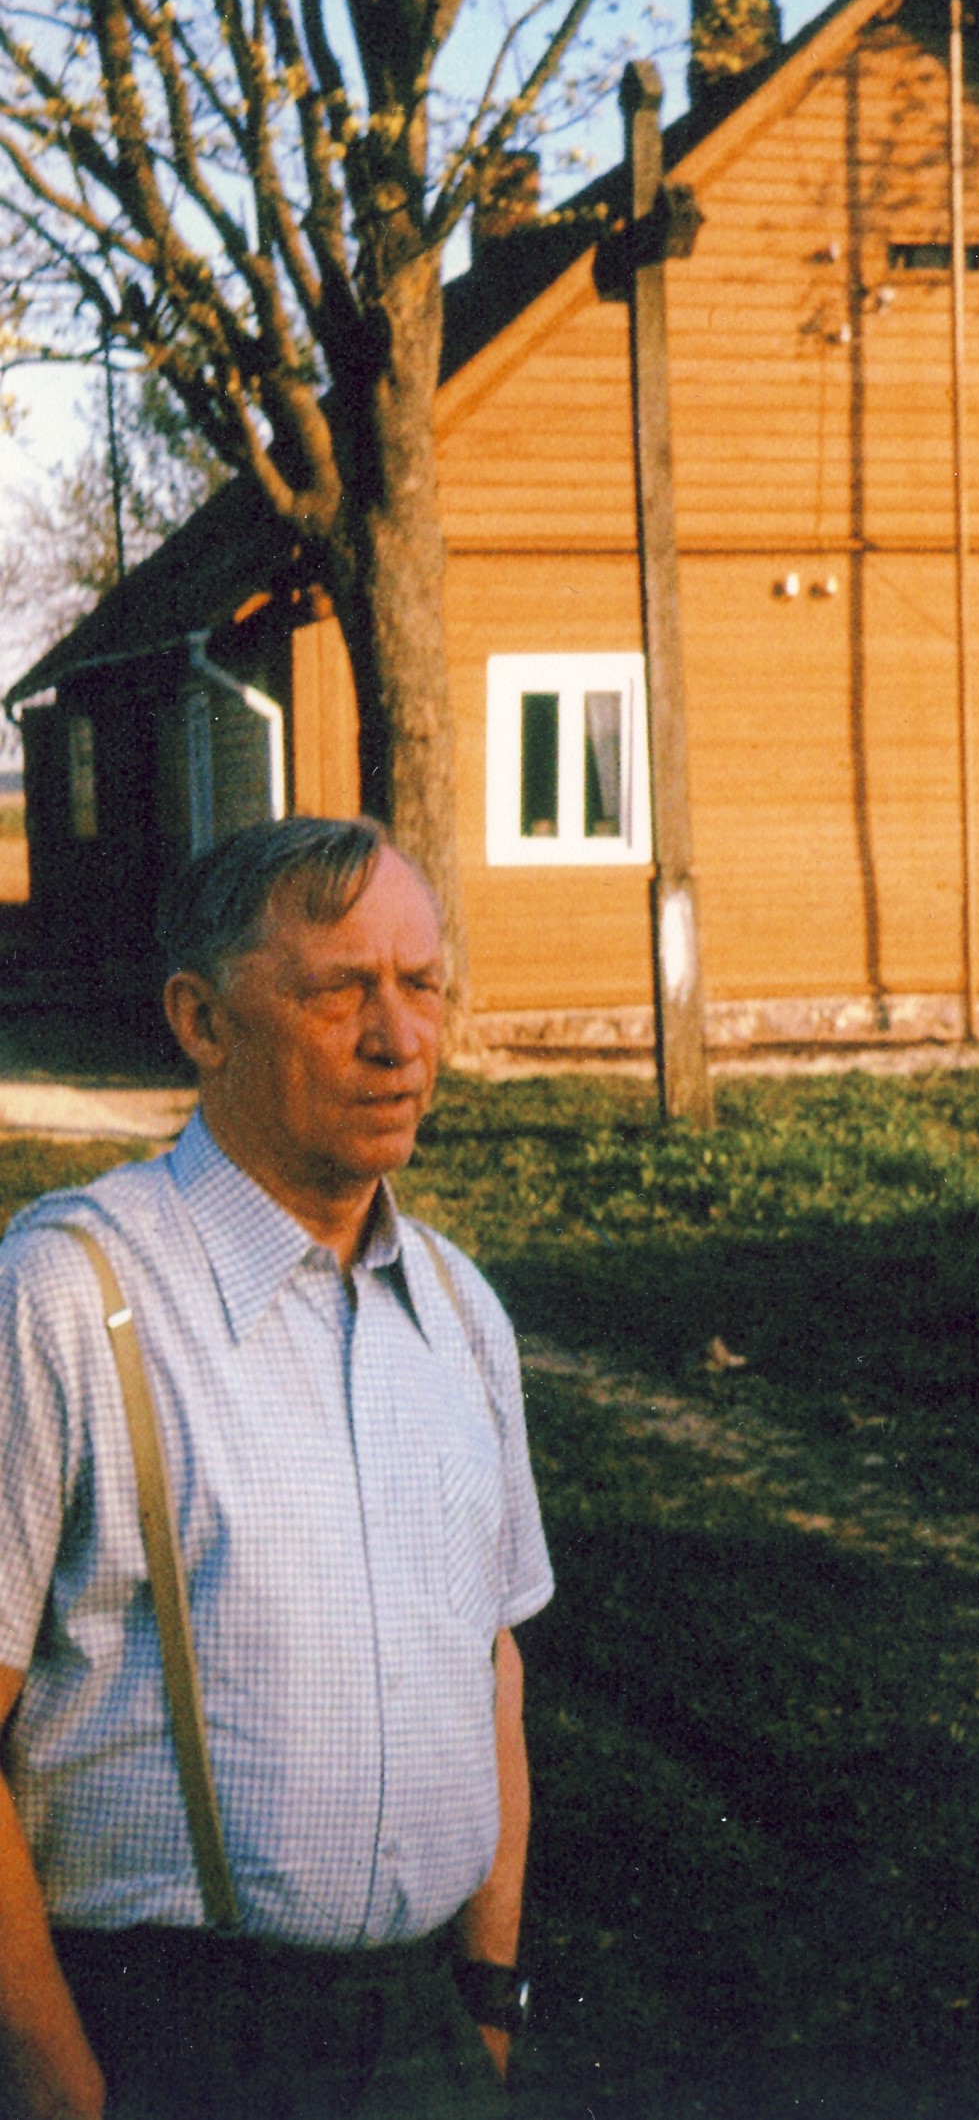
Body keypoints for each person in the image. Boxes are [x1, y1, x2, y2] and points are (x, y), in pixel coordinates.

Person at [0, 817, 554, 2119]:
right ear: (201, 1018)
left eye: (421, 984)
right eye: (338, 989)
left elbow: (493, 1671)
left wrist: (483, 2005)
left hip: (423, 2037)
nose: (399, 1037)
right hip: (163, 2044)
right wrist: (58, 2086)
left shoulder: (460, 1312)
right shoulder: (68, 1294)